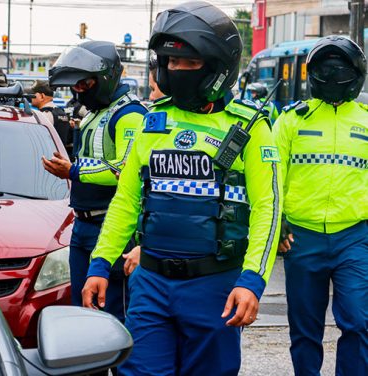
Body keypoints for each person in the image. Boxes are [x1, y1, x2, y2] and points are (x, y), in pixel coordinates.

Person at [81, 3, 281, 375]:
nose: (176, 71)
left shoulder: (251, 128)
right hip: (150, 284)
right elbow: (126, 201)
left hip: (214, 286)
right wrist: (100, 264)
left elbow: (268, 209)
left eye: (188, 63)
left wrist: (252, 280)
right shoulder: (153, 122)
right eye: (170, 63)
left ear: (218, 67)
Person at [273, 35, 367, 376]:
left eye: (339, 68)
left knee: (358, 322)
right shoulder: (291, 121)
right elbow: (273, 175)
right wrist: (278, 220)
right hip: (301, 237)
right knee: (304, 330)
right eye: (325, 69)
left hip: (355, 237)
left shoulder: (367, 120)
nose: (332, 75)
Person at [43, 40, 147, 330]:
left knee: (113, 314)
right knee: (83, 312)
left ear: (105, 78)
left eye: (84, 84)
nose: (78, 90)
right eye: (75, 86)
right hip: (83, 225)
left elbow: (125, 171)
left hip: (111, 227)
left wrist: (73, 171)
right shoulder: (93, 113)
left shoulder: (130, 115)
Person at [29, 80, 71, 152]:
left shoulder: (44, 115)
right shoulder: (61, 112)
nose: (30, 96)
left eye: (33, 94)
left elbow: (37, 141)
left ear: (42, 96)